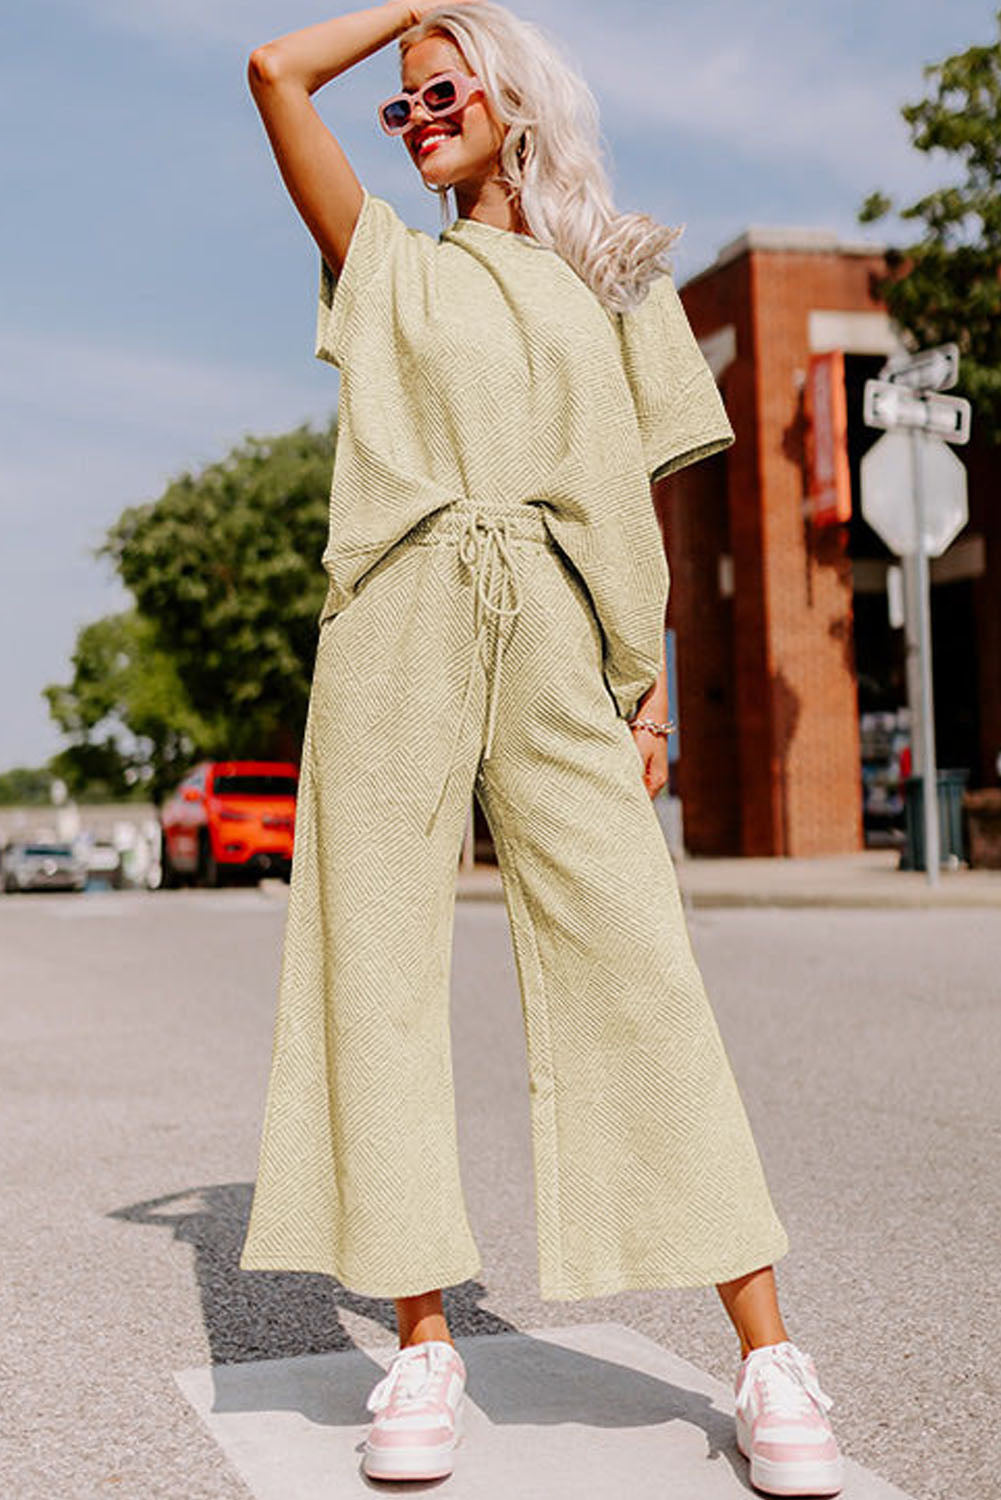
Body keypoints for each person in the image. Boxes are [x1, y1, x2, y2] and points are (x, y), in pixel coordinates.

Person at [238, 3, 845, 1493]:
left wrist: (645, 690)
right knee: (372, 972)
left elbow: (641, 503)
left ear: (509, 100)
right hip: (395, 627)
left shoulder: (619, 277)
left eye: (437, 92)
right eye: (398, 108)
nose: (414, 118)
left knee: (639, 974)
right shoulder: (381, 262)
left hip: (567, 647)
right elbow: (269, 71)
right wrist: (409, 11)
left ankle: (768, 1356)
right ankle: (423, 1343)